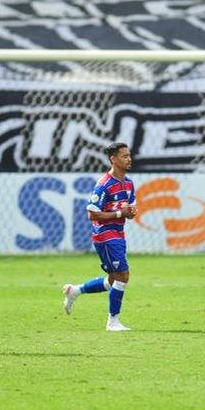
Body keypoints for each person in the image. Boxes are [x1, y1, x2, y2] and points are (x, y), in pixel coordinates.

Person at [63, 142, 138, 332]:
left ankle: (75, 290)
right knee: (123, 275)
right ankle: (113, 321)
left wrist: (131, 212)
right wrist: (121, 214)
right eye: (124, 156)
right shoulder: (104, 184)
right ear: (113, 159)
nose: (129, 159)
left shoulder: (129, 184)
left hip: (118, 234)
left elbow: (129, 209)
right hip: (105, 236)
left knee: (113, 279)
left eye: (129, 155)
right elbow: (92, 213)